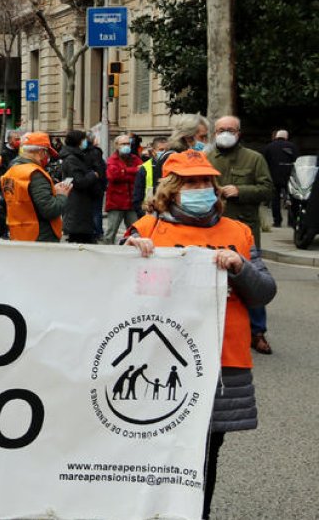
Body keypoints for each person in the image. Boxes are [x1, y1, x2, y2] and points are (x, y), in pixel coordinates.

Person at [123, 150, 277, 520]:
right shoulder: (146, 230)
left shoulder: (237, 233)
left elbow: (264, 292)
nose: (201, 188)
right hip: (157, 361)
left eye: (206, 181)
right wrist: (127, 257)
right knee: (152, 444)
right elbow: (118, 295)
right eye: (191, 182)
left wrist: (240, 267)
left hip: (221, 361)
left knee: (206, 450)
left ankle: (196, 513)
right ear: (172, 189)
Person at [207, 115, 275, 354]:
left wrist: (241, 190)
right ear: (214, 133)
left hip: (243, 229)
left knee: (249, 278)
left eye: (230, 129)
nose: (225, 133)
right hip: (211, 229)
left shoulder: (254, 159)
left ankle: (257, 332)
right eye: (220, 129)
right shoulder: (206, 159)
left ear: (239, 133)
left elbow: (268, 190)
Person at [0, 132, 72, 242]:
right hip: (40, 236)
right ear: (41, 152)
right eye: (47, 153)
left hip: (19, 234)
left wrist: (52, 191)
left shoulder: (12, 170)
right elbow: (50, 210)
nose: (48, 157)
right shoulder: (35, 173)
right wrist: (62, 195)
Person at [60, 130, 105, 244]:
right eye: (83, 139)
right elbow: (79, 181)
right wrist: (93, 175)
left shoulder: (78, 156)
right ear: (78, 141)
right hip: (77, 205)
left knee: (83, 239)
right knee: (80, 240)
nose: (86, 142)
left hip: (82, 204)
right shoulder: (71, 159)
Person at [103, 133, 142, 244]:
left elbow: (142, 173)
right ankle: (106, 252)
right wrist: (133, 171)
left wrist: (124, 171)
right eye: (123, 144)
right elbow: (113, 176)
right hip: (116, 202)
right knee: (111, 232)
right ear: (117, 145)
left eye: (128, 144)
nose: (126, 146)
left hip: (132, 202)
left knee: (136, 232)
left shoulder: (135, 158)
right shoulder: (112, 159)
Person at [262, 129, 299, 228]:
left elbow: (263, 162)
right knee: (292, 199)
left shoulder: (269, 147)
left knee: (275, 200)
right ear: (286, 137)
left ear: (276, 137)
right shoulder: (292, 146)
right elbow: (297, 161)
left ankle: (277, 221)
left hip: (273, 177)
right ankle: (292, 221)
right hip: (289, 177)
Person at [133, 136, 171, 211]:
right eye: (161, 150)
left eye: (167, 150)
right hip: (149, 211)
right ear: (153, 151)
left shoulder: (174, 166)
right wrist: (142, 213)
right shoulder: (144, 168)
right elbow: (138, 196)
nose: (164, 153)